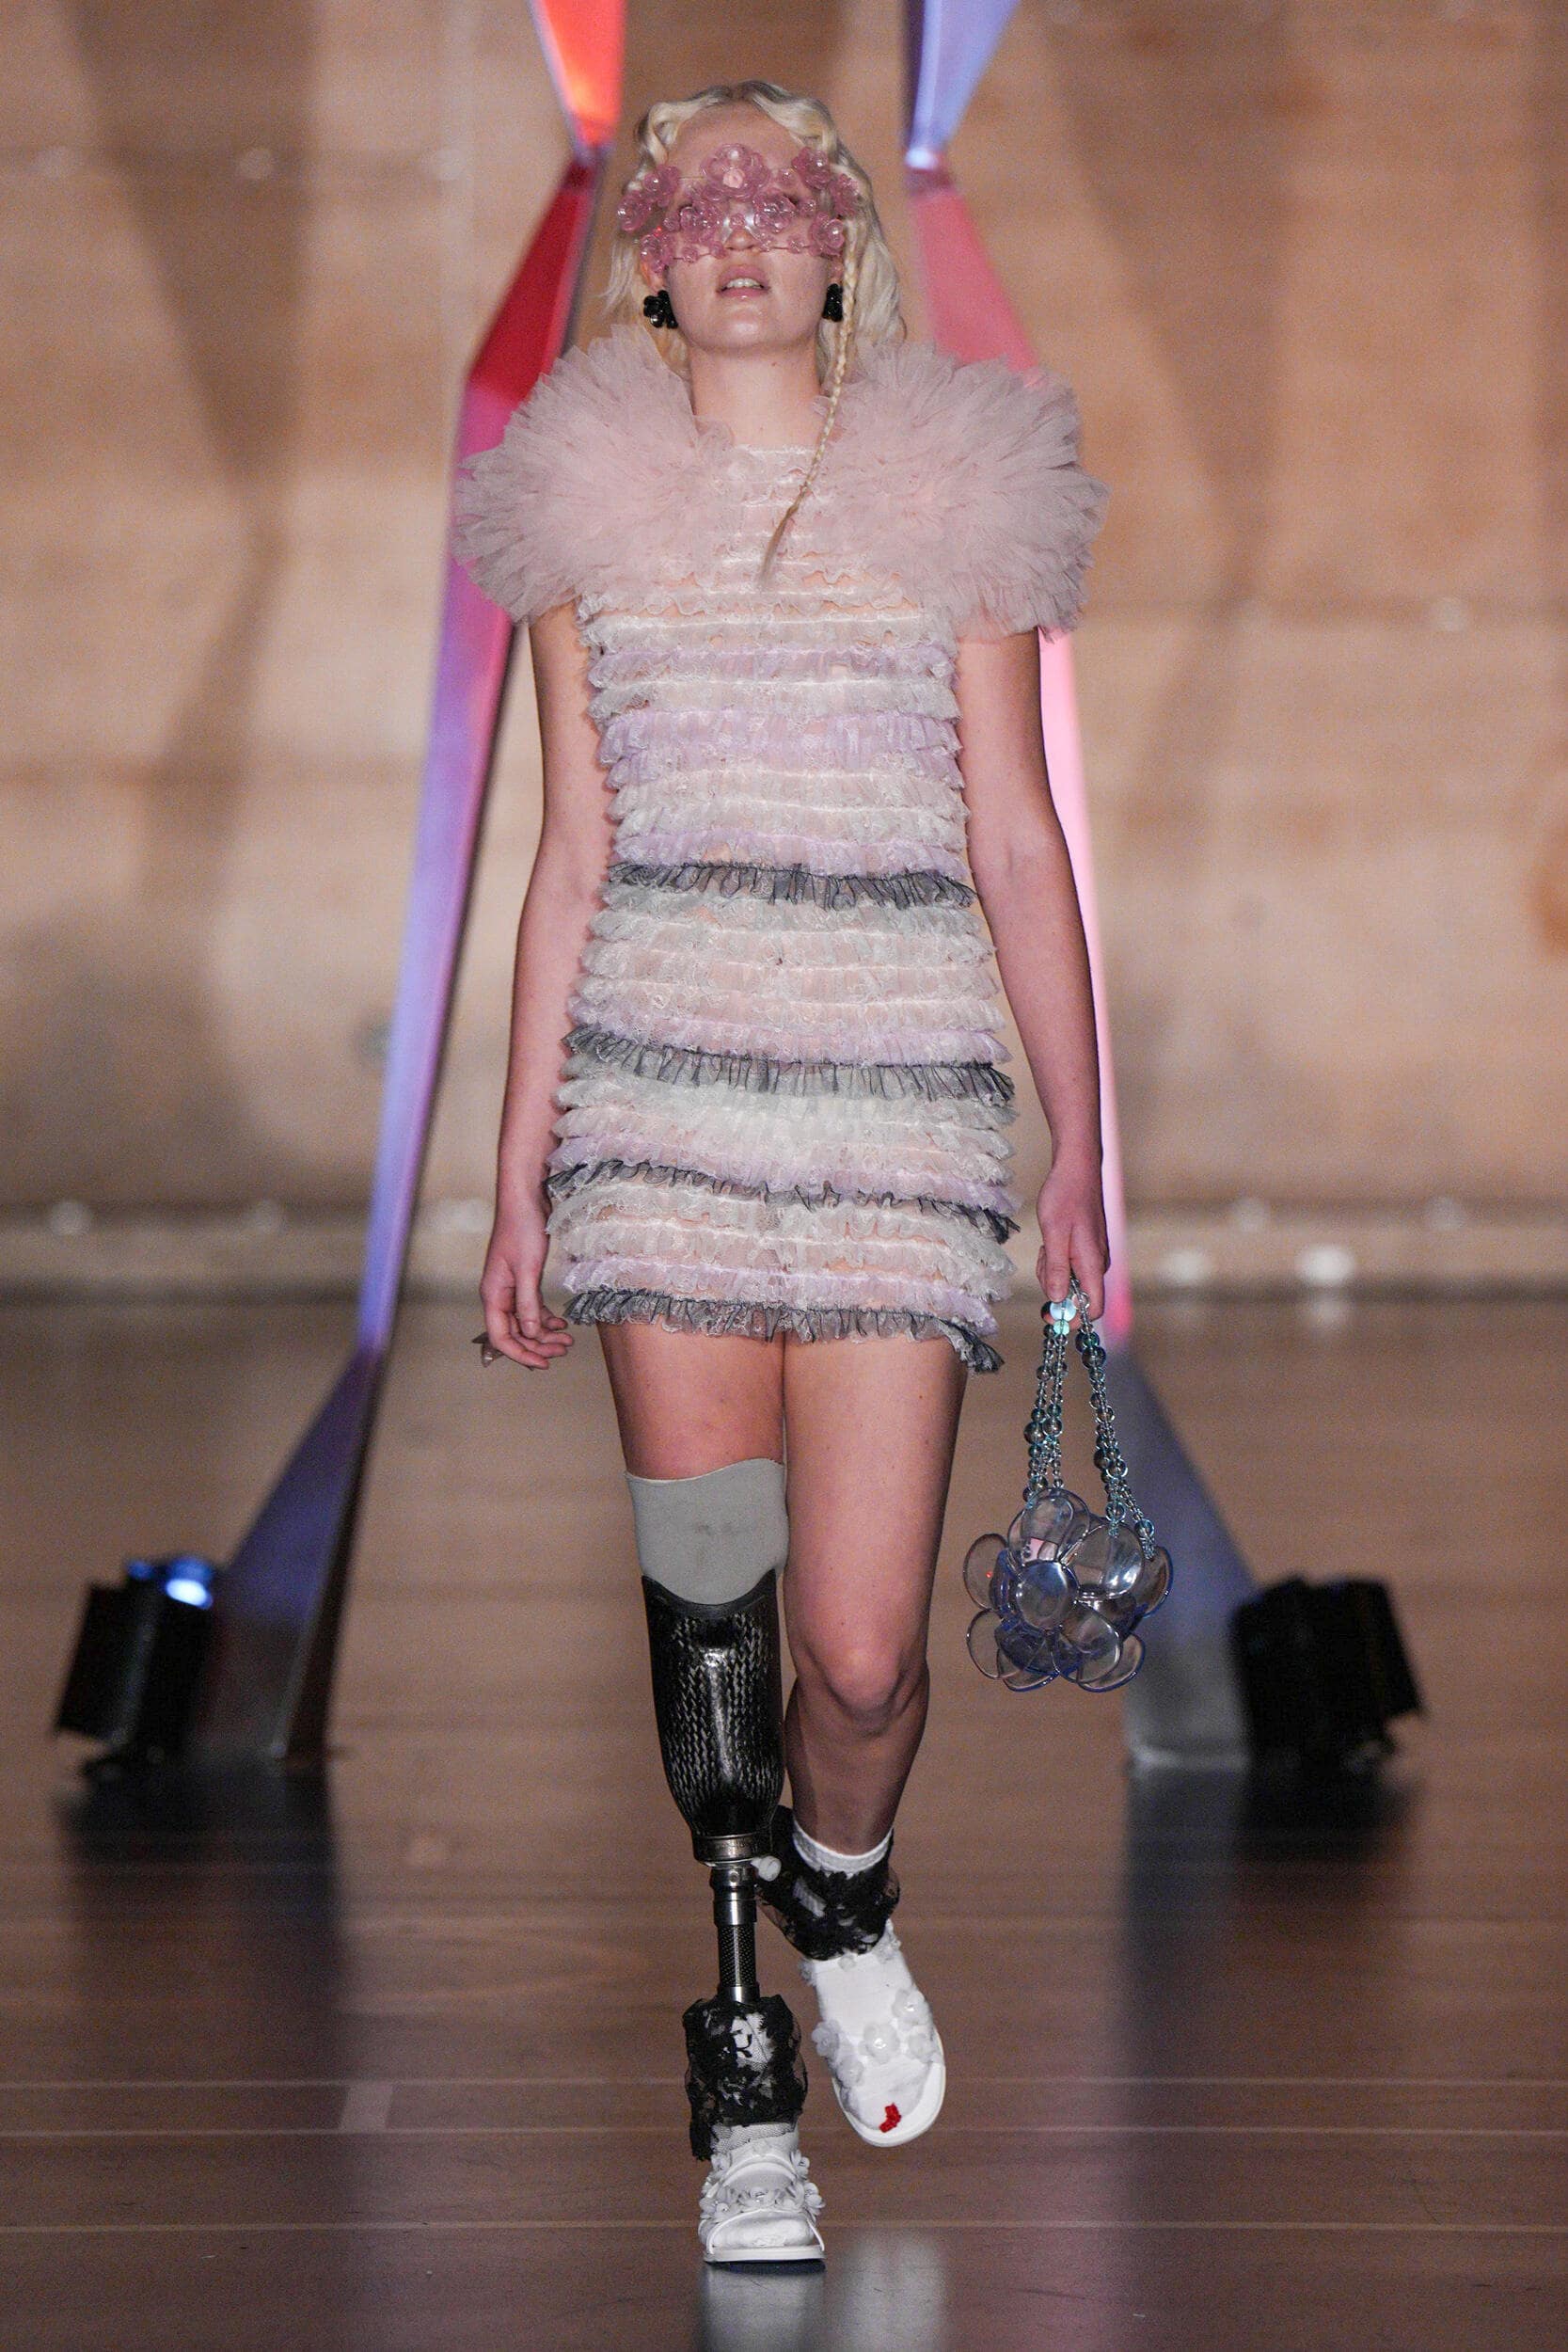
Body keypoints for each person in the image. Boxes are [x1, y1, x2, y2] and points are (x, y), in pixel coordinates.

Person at [455, 77, 1109, 2265]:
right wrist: (522, 1172)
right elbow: (572, 855)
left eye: (780, 192)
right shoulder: (577, 505)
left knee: (858, 1651)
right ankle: (747, 2100)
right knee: (719, 1644)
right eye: (698, 197)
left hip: (898, 1109)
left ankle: (846, 1892)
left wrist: (1080, 1143)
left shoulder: (954, 486)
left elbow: (1015, 830)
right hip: (662, 1125)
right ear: (649, 253)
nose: (740, 228)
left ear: (841, 238)